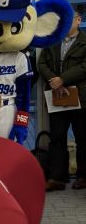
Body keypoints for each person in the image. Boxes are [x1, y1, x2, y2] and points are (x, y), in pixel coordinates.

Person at [38, 10, 86, 191]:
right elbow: (42, 63)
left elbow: (84, 66)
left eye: (68, 19)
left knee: (83, 137)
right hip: (56, 96)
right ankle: (57, 178)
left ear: (78, 20)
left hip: (80, 97)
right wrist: (56, 82)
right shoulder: (52, 40)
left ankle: (83, 177)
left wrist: (63, 79)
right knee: (57, 137)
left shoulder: (84, 41)